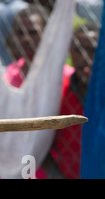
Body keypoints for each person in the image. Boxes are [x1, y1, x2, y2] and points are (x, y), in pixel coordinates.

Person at [40, 23, 99, 179]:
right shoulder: (59, 92)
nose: (84, 57)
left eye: (92, 50)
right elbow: (38, 144)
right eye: (78, 50)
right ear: (70, 53)